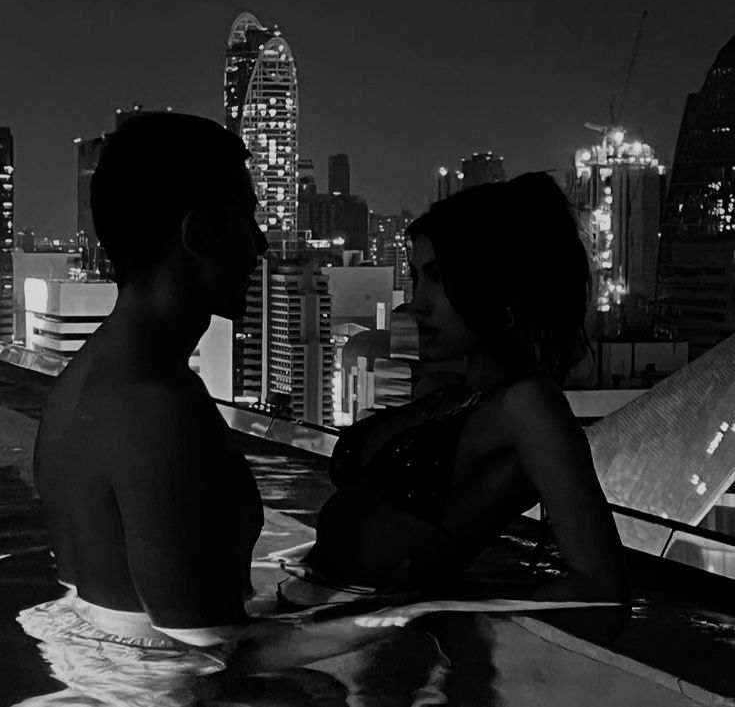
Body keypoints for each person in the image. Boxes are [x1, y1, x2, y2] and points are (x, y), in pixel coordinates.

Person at [19, 113, 270, 690]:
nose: (259, 244)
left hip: (100, 672)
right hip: (165, 692)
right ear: (197, 236)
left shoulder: (84, 382)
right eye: (248, 219)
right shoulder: (155, 411)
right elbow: (207, 656)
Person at [303, 172, 630, 603]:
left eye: (438, 277)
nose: (417, 302)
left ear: (495, 281)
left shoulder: (528, 407)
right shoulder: (446, 394)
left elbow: (601, 585)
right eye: (417, 278)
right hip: (316, 617)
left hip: (380, 643)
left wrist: (446, 620)